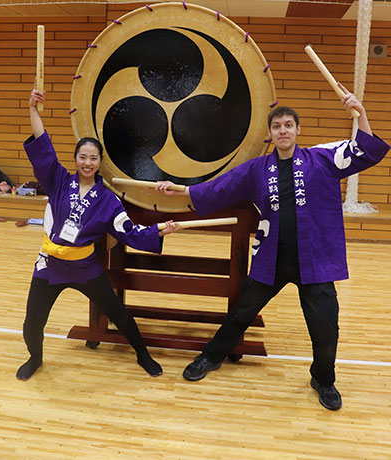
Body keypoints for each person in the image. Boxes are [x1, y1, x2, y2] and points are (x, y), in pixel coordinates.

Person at [156, 83, 390, 410]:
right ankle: (210, 357)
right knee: (240, 314)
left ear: (297, 130)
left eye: (288, 125)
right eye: (277, 126)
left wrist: (361, 112)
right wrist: (182, 191)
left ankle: (323, 379)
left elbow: (364, 150)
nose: (283, 131)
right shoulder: (257, 169)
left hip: (314, 261)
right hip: (272, 258)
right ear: (270, 133)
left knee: (326, 329)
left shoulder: (321, 159)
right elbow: (220, 187)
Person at [16, 83, 178, 381]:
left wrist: (159, 230)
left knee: (117, 312)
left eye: (93, 158)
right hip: (49, 264)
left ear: (99, 162)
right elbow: (43, 147)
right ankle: (35, 358)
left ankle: (142, 353)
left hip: (84, 267)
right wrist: (31, 109)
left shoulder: (108, 201)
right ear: (76, 159)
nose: (87, 163)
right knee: (31, 323)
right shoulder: (58, 181)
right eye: (82, 157)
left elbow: (128, 230)